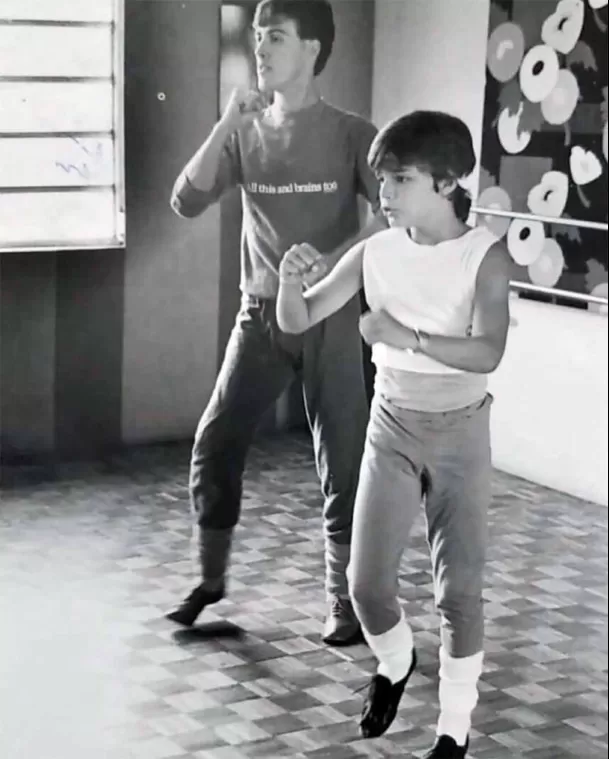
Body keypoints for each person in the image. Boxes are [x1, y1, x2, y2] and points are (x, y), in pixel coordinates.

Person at [276, 111, 512, 758]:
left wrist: (404, 337)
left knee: (457, 591)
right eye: (380, 177)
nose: (382, 190)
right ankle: (395, 660)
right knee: (365, 585)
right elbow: (300, 317)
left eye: (399, 178)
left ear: (444, 182)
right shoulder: (374, 251)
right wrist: (286, 282)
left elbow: (488, 350)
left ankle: (451, 730)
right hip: (392, 426)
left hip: (462, 432)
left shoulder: (484, 257)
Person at [167, 0, 385, 646]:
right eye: (258, 38)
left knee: (340, 463)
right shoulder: (244, 131)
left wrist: (334, 259)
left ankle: (342, 605)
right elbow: (184, 200)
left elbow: (390, 219)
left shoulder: (351, 133)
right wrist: (221, 125)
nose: (261, 50)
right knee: (214, 441)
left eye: (276, 38)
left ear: (312, 48)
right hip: (259, 314)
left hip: (331, 315)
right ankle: (209, 581)